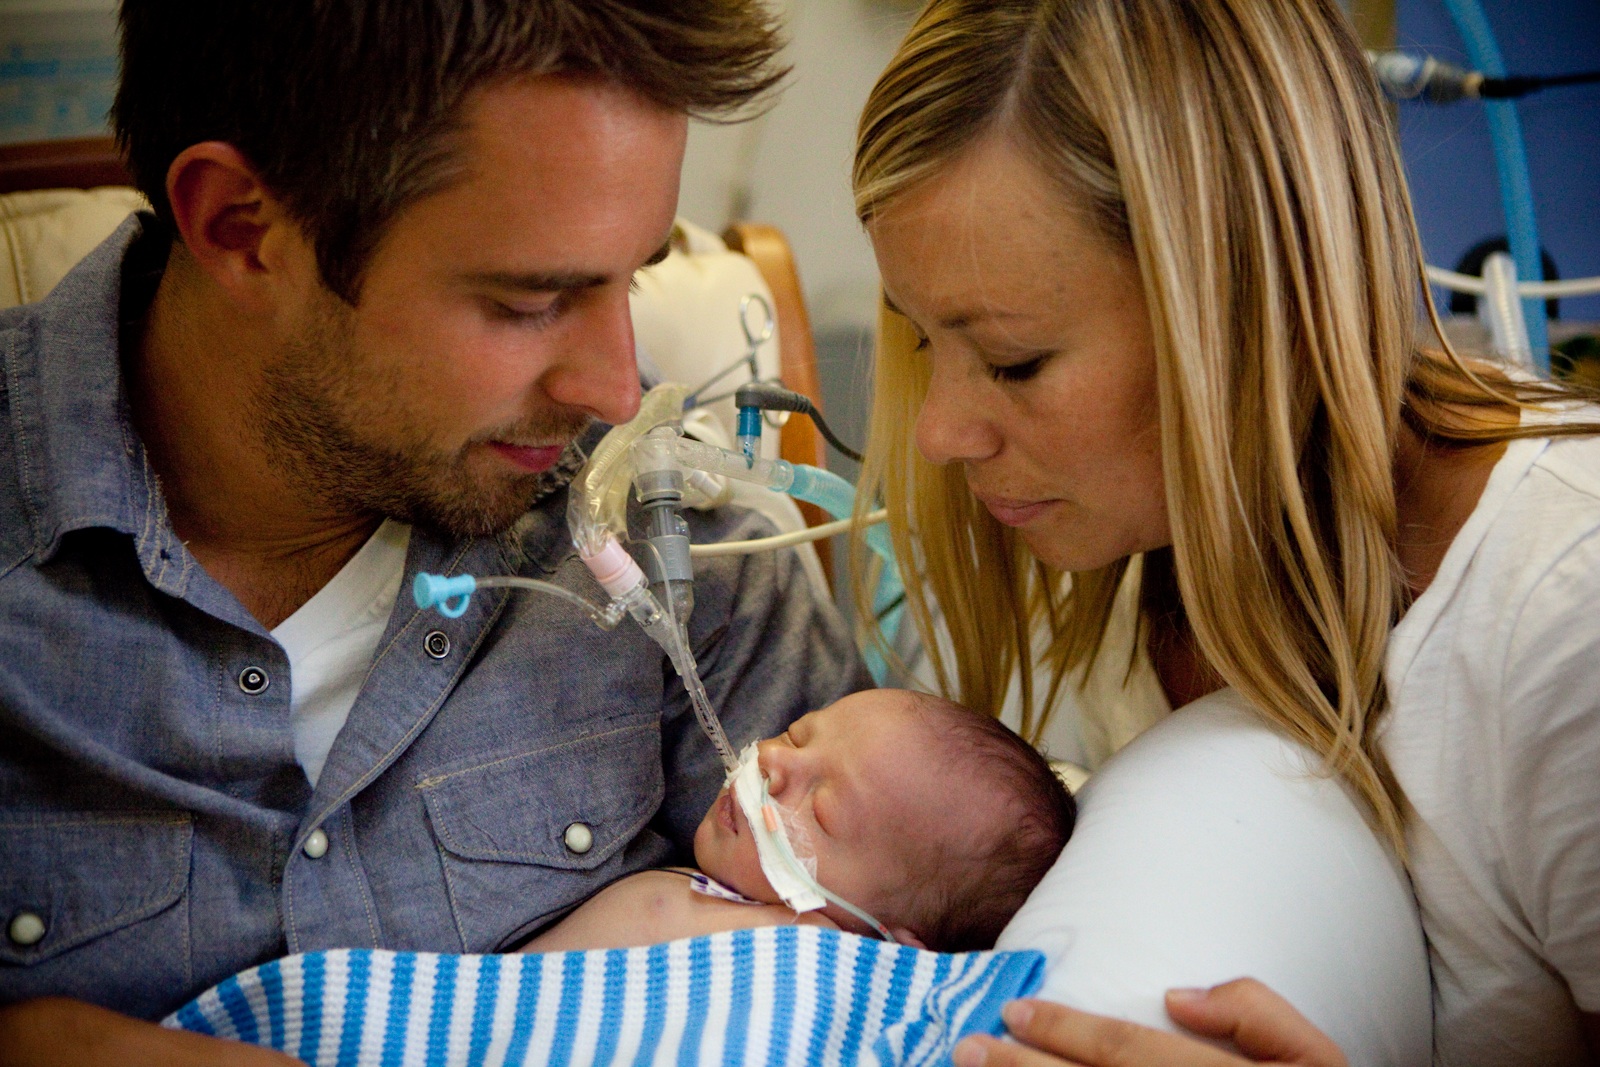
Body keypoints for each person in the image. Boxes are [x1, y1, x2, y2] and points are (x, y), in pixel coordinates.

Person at [0, 1, 872, 1063]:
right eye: (527, 301)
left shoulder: (683, 558)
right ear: (239, 225)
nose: (611, 385)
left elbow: (910, 960)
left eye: (631, 275)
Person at [848, 0, 1600, 1065]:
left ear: (1251, 303)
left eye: (1012, 360)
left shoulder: (1562, 611)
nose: (937, 435)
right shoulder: (1094, 553)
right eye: (923, 341)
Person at [522, 689, 1077, 954]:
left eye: (821, 812)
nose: (770, 761)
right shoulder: (732, 897)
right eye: (795, 733)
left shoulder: (812, 951)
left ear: (892, 939)